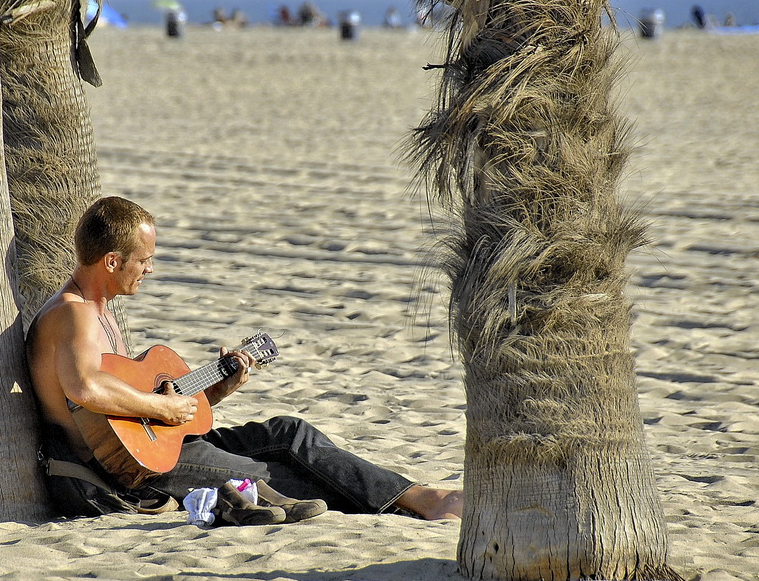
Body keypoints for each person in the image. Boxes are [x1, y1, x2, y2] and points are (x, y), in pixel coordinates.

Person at [26, 196, 463, 523]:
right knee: (264, 472)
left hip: (149, 451)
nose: (150, 269)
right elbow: (86, 387)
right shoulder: (73, 313)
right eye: (144, 260)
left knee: (290, 433)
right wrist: (163, 406)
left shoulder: (96, 310)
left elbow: (127, 415)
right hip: (121, 472)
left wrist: (212, 392)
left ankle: (415, 495)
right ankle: (417, 502)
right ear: (111, 260)